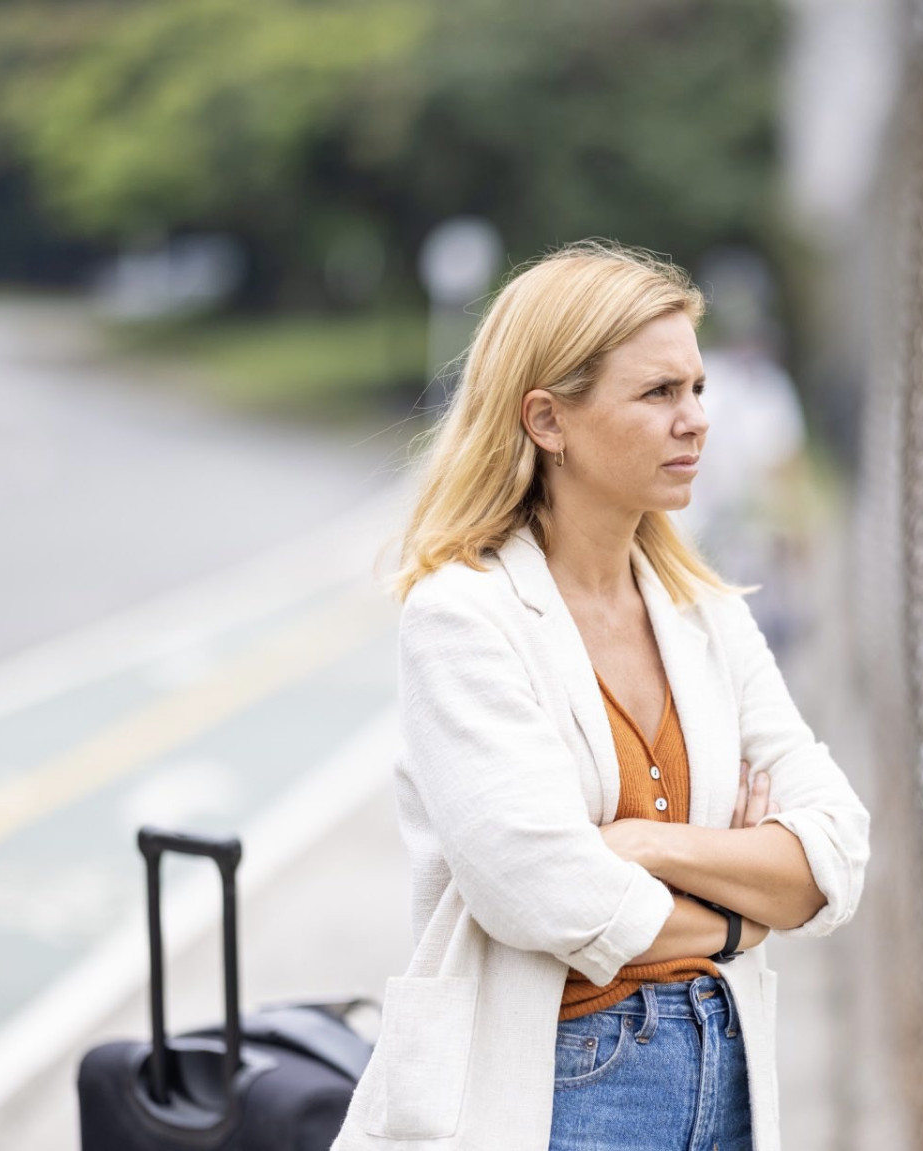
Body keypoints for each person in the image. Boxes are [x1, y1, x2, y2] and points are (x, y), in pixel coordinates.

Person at [331, 240, 871, 1151]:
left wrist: (652, 841)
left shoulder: (706, 614)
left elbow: (837, 855)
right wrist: (746, 903)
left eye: (696, 388)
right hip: (558, 1084)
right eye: (658, 394)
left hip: (724, 1069)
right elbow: (545, 893)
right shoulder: (465, 616)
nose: (696, 419)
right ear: (548, 419)